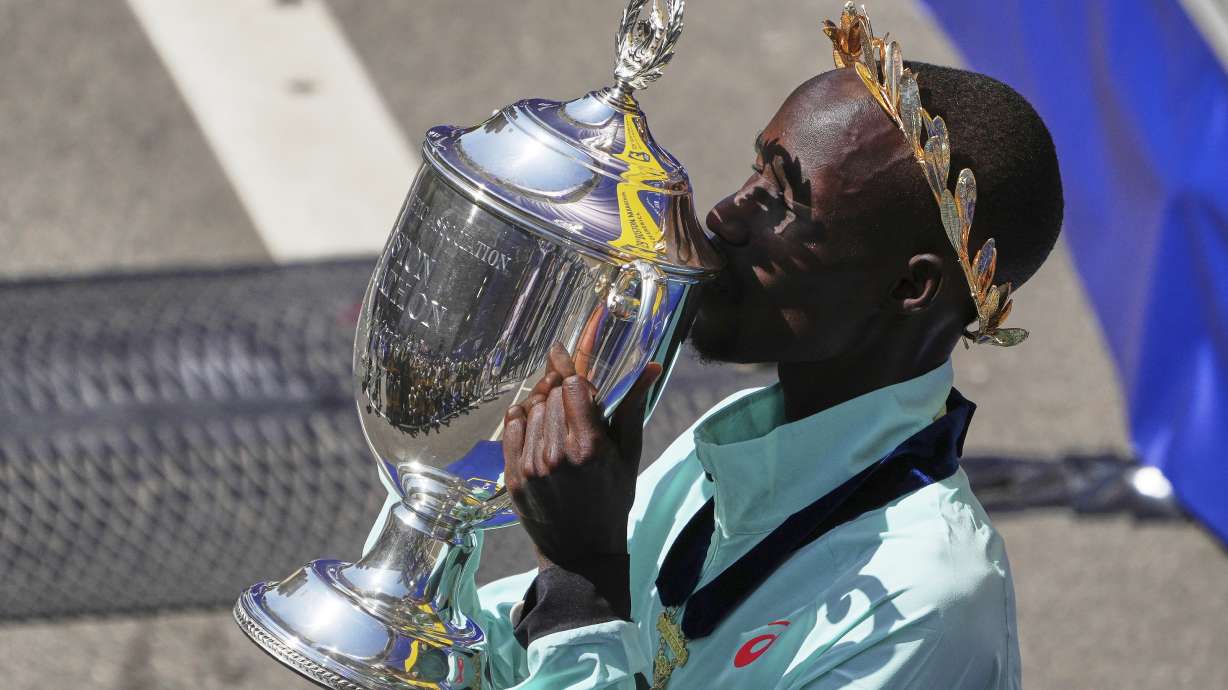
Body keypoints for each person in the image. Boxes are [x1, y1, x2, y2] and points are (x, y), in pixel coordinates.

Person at [443, 5, 1063, 688]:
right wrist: (442, 495)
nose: (725, 214)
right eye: (753, 174)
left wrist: (584, 582)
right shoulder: (725, 449)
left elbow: (577, 625)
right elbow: (509, 654)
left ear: (910, 286)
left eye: (783, 201)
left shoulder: (924, 605)